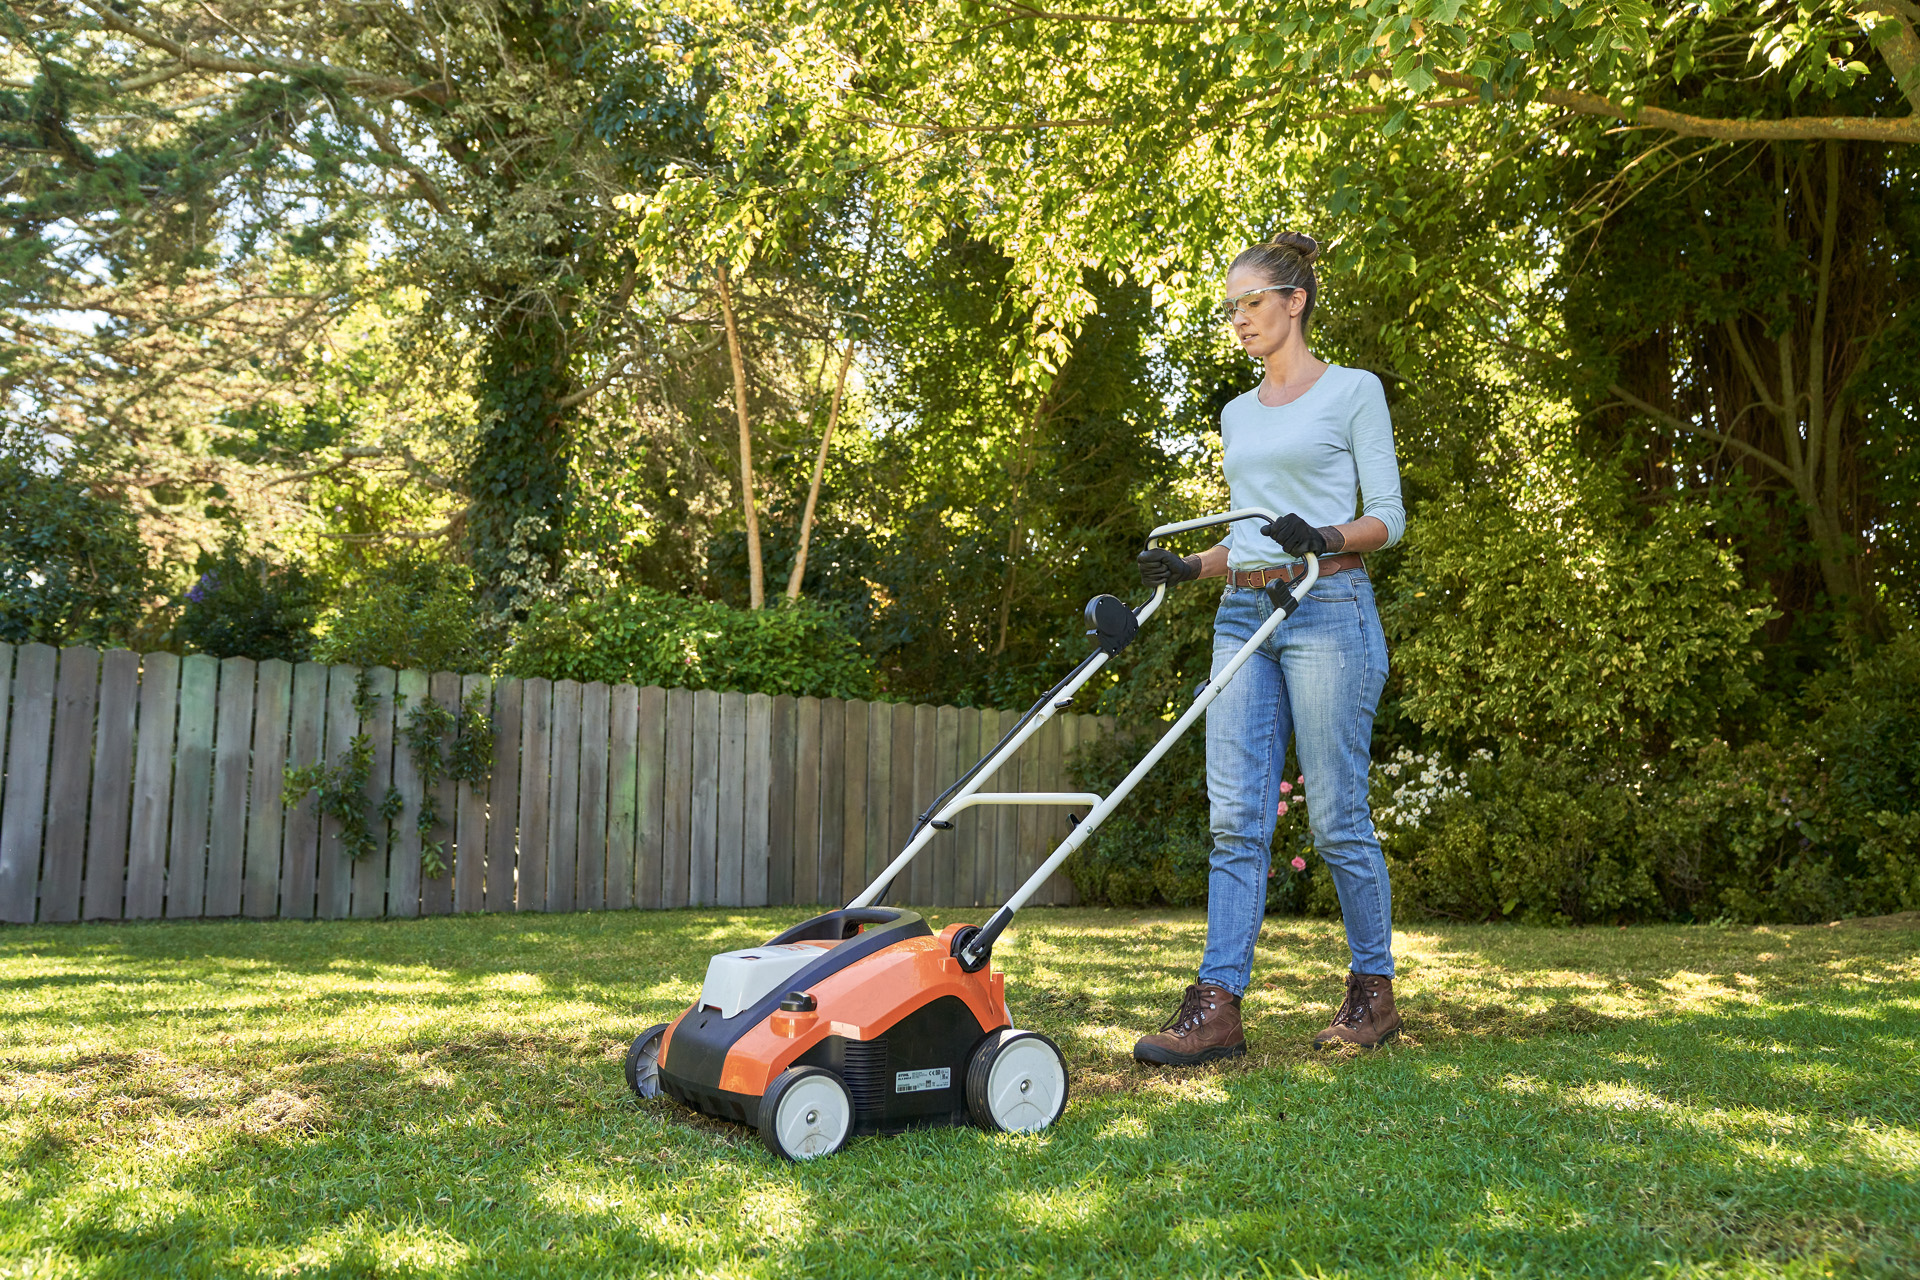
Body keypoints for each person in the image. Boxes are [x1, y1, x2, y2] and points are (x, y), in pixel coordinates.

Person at [1131, 232, 1406, 1062]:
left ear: (1296, 301)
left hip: (1329, 606)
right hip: (1243, 614)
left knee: (1337, 817)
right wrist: (1190, 565)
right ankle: (1218, 1007)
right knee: (1237, 820)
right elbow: (1248, 534)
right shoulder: (1237, 413)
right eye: (1231, 307)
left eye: (1253, 301)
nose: (1240, 318)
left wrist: (1320, 533)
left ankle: (1373, 993)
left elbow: (1388, 516)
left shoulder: (1352, 391)